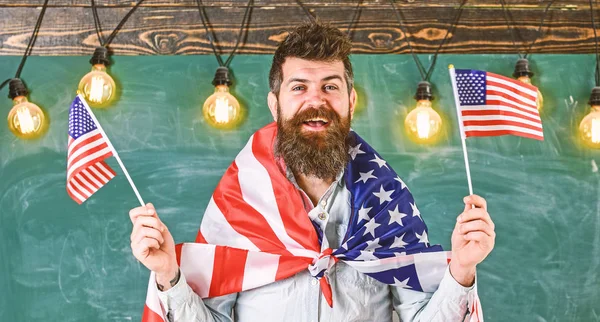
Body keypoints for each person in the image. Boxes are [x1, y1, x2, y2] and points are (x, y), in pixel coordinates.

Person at [129, 22, 496, 322]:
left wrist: (462, 269)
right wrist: (168, 275)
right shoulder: (240, 201)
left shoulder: (387, 205)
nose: (316, 100)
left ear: (350, 101)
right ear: (276, 105)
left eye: (330, 87)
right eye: (299, 87)